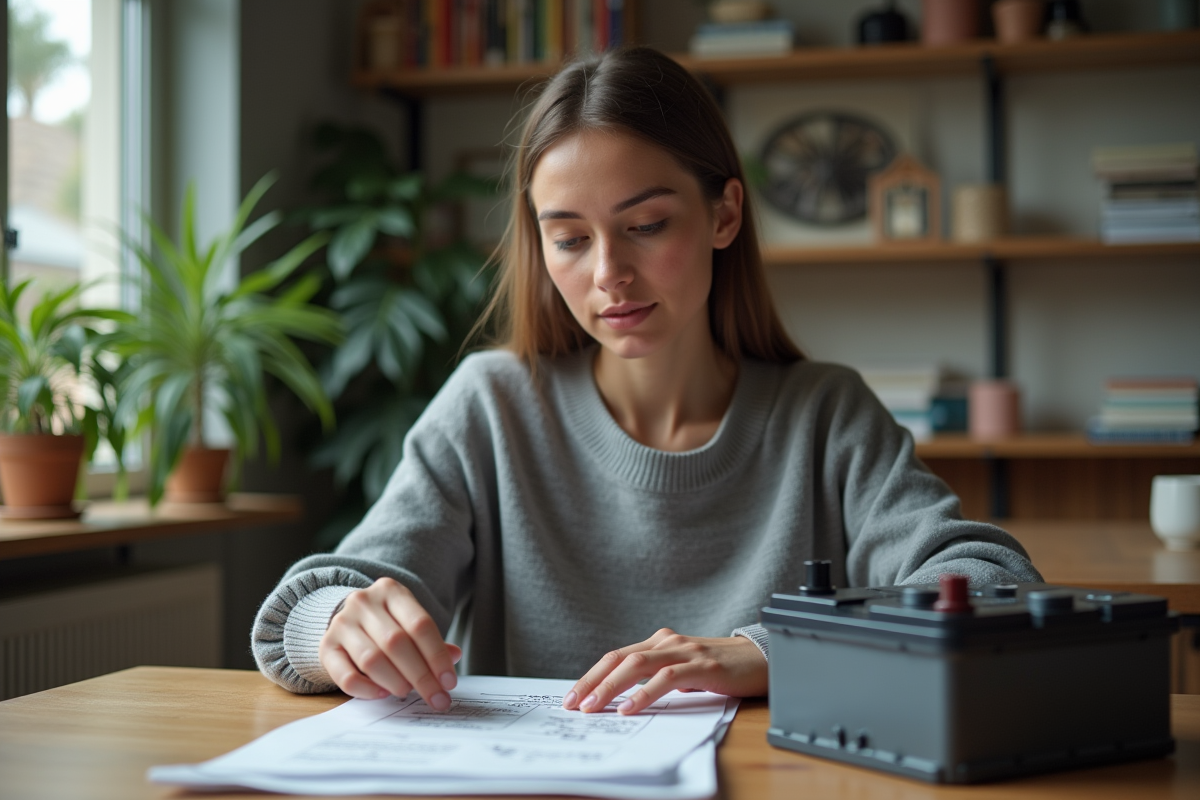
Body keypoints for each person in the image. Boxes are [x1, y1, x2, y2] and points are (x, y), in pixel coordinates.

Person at [252, 46, 1040, 717]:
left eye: (647, 226)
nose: (609, 276)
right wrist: (334, 626)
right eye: (568, 239)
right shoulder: (490, 404)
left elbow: (994, 587)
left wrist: (772, 650)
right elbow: (310, 605)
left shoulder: (824, 415)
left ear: (725, 214)